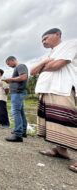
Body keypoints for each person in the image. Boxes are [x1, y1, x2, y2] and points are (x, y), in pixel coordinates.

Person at [30, 28, 77, 173]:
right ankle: (60, 150)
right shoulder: (49, 54)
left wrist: (42, 67)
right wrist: (44, 62)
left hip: (62, 89)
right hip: (48, 90)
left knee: (69, 122)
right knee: (53, 122)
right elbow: (32, 71)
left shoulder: (70, 44)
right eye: (42, 40)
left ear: (58, 34)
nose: (44, 42)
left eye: (46, 38)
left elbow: (56, 65)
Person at [3, 56, 28, 142]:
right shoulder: (18, 67)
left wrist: (10, 80)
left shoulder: (20, 66)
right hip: (17, 93)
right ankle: (23, 131)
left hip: (18, 93)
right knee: (21, 112)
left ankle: (18, 134)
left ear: (12, 60)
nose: (9, 66)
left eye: (8, 64)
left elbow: (24, 77)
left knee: (15, 112)